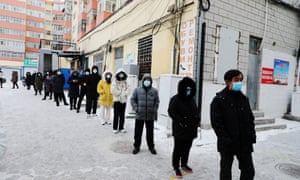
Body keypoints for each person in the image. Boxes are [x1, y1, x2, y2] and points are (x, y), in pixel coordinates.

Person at [210, 69, 256, 180]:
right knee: (226, 172)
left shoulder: (244, 99)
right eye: (236, 80)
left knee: (249, 170)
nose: (239, 83)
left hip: (244, 143)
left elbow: (250, 119)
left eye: (241, 80)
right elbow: (217, 124)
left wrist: (251, 135)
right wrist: (226, 140)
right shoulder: (219, 100)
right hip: (228, 144)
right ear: (227, 81)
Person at [168, 77, 200, 178]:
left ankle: (184, 164)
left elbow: (196, 112)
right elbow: (171, 112)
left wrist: (197, 120)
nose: (188, 91)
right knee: (178, 149)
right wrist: (180, 121)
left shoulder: (192, 100)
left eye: (190, 89)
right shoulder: (176, 99)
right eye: (187, 89)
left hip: (191, 129)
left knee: (187, 148)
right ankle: (176, 166)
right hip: (180, 129)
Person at [130, 74, 159, 155]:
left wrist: (154, 110)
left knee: (150, 133)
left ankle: (151, 147)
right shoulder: (137, 90)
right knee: (138, 132)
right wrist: (136, 108)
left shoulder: (154, 91)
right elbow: (132, 100)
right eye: (145, 80)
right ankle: (136, 147)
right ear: (143, 81)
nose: (147, 82)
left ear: (151, 81)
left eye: (148, 80)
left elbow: (157, 102)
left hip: (150, 115)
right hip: (140, 115)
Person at [111, 69, 130, 133]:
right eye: (120, 74)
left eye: (122, 74)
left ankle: (121, 127)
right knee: (116, 115)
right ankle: (115, 128)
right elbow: (113, 90)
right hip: (117, 101)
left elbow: (129, 89)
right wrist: (120, 93)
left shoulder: (126, 82)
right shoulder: (115, 82)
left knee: (122, 115)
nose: (121, 75)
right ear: (117, 74)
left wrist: (125, 93)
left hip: (123, 101)